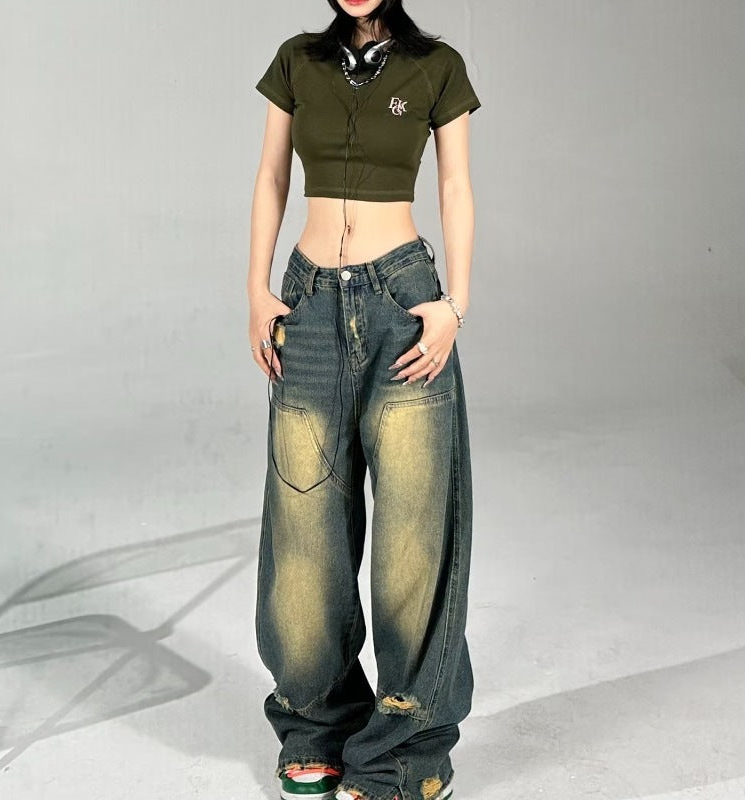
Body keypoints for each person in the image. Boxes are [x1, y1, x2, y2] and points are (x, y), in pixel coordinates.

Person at [247, 1, 480, 799]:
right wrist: (256, 289)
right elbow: (272, 175)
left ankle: (407, 754)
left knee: (414, 533)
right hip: (308, 302)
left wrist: (455, 305)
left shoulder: (436, 65)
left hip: (401, 301)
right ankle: (315, 724)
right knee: (303, 524)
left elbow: (455, 183)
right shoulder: (297, 59)